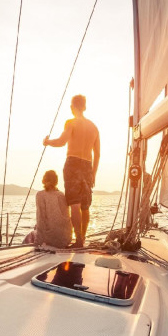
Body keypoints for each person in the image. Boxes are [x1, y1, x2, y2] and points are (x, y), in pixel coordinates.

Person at [43, 94, 100, 247]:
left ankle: (79, 240)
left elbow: (61, 142)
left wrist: (47, 142)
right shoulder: (94, 127)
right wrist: (93, 173)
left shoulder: (71, 123)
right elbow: (98, 154)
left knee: (75, 203)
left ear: (72, 107)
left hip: (73, 164)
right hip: (88, 166)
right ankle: (83, 237)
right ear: (85, 107)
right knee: (85, 205)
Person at [33, 170, 72, 248]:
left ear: (44, 180)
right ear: (56, 181)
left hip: (51, 240)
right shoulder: (61, 195)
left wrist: (37, 242)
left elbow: (41, 219)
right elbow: (66, 218)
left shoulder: (40, 195)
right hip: (65, 239)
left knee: (32, 233)